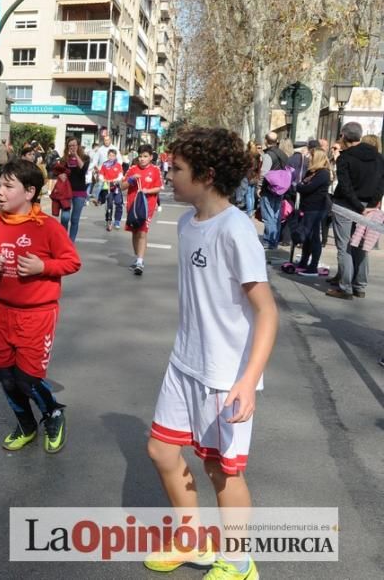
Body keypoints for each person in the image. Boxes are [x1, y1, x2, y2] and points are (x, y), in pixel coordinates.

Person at [145, 127, 277, 580]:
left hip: (226, 376)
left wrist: (248, 381)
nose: (169, 174)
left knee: (222, 471)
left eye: (177, 169)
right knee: (162, 451)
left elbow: (267, 312)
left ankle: (239, 563)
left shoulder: (236, 230)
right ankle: (192, 541)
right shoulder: (186, 223)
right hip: (185, 363)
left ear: (207, 174)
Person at [0, 159, 81, 452]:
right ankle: (26, 424)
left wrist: (42, 266)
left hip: (37, 314)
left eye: (7, 186)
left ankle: (54, 413)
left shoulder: (47, 227)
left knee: (27, 378)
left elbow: (72, 262)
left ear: (29, 192)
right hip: (3, 310)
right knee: (6, 377)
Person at [327, 122, 384, 299]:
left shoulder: (345, 157)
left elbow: (345, 186)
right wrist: (371, 205)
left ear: (344, 136)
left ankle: (345, 287)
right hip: (368, 204)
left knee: (344, 246)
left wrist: (359, 207)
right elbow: (381, 183)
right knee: (361, 246)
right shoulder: (377, 156)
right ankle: (359, 285)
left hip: (346, 205)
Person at [121, 144, 164, 276]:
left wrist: (147, 191)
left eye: (145, 156)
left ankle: (140, 261)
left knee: (142, 232)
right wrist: (131, 180)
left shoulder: (155, 170)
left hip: (147, 206)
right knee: (135, 232)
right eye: (140, 156)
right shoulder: (133, 169)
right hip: (132, 205)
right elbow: (122, 186)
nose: (142, 159)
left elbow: (159, 187)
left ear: (151, 157)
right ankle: (137, 257)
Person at [293, 149, 332, 276]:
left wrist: (299, 187)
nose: (309, 158)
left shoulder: (323, 173)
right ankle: (304, 261)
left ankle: (313, 266)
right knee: (308, 237)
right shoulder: (311, 171)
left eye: (312, 156)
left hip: (316, 208)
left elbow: (307, 188)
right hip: (307, 206)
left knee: (314, 237)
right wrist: (300, 187)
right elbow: (302, 185)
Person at [258, 131, 288, 250]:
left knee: (268, 216)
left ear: (266, 141)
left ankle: (268, 241)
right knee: (276, 215)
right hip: (280, 189)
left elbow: (263, 173)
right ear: (277, 141)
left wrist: (259, 187)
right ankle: (274, 240)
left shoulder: (268, 155)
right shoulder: (283, 155)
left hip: (268, 188)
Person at [59, 137, 90, 242]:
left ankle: (71, 242)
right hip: (66, 192)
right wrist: (60, 175)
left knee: (75, 219)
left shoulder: (85, 158)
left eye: (74, 145)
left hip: (79, 192)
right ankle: (63, 239)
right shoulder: (64, 159)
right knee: (64, 217)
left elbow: (83, 169)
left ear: (78, 146)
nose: (72, 147)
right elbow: (58, 171)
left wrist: (76, 155)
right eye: (70, 145)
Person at [99, 147, 125, 231]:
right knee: (109, 204)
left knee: (118, 203)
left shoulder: (118, 165)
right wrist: (103, 179)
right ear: (107, 156)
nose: (111, 157)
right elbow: (101, 175)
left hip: (116, 187)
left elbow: (121, 175)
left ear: (115, 156)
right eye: (110, 155)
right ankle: (108, 220)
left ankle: (117, 221)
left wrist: (116, 180)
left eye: (113, 156)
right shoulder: (104, 165)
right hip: (108, 187)